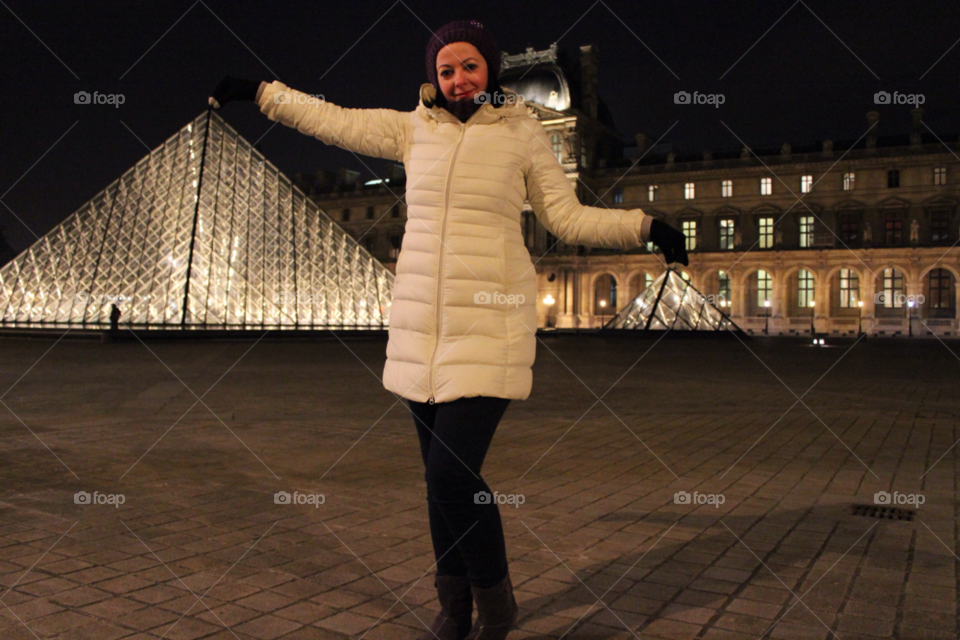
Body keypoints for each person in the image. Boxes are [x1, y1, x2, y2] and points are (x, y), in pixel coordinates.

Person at [210, 18, 687, 640]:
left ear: (489, 70)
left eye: (469, 66)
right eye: (446, 69)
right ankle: (453, 605)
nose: (458, 79)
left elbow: (565, 217)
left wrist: (645, 228)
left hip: (489, 324)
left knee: (451, 475)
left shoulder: (522, 132)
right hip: (419, 330)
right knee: (439, 485)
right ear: (432, 77)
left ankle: (495, 605)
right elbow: (331, 120)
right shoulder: (413, 129)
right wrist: (261, 92)